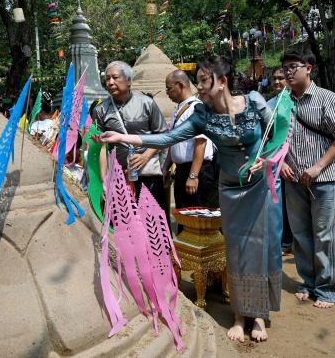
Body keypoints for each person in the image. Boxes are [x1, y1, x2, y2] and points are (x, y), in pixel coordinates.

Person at [97, 56, 278, 343]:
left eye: (204, 81)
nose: (199, 87)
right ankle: (240, 315)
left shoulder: (254, 100)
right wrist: (126, 139)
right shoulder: (202, 116)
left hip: (258, 187)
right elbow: (166, 138)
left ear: (222, 82)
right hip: (229, 188)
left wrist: (267, 158)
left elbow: (278, 133)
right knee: (235, 249)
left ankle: (258, 316)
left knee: (258, 247)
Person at [278, 50, 335, 309]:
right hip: (294, 177)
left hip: (325, 178)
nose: (288, 71)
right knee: (300, 234)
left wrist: (319, 166)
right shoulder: (282, 101)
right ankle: (309, 281)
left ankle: (328, 288)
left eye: (293, 66)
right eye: (285, 67)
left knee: (326, 234)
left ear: (308, 68)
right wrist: (282, 162)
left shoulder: (327, 99)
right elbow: (276, 138)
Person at [92, 61, 168, 213]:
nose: (110, 82)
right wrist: (105, 181)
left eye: (115, 77)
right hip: (119, 178)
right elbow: (101, 146)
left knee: (153, 222)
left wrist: (145, 157)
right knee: (126, 225)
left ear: (128, 81)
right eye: (107, 79)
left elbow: (163, 135)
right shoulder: (100, 110)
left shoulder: (147, 103)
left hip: (147, 172)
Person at [164, 69, 218, 209]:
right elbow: (173, 142)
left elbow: (200, 143)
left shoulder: (197, 108)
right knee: (184, 218)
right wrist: (166, 168)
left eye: (169, 88)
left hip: (198, 171)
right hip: (182, 171)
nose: (167, 93)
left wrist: (193, 176)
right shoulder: (179, 110)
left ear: (180, 85)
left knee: (200, 218)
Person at [267, 67, 293, 255]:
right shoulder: (268, 105)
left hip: (297, 161)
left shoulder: (295, 102)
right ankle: (285, 241)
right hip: (275, 162)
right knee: (280, 204)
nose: (277, 82)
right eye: (274, 78)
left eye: (281, 78)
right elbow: (268, 136)